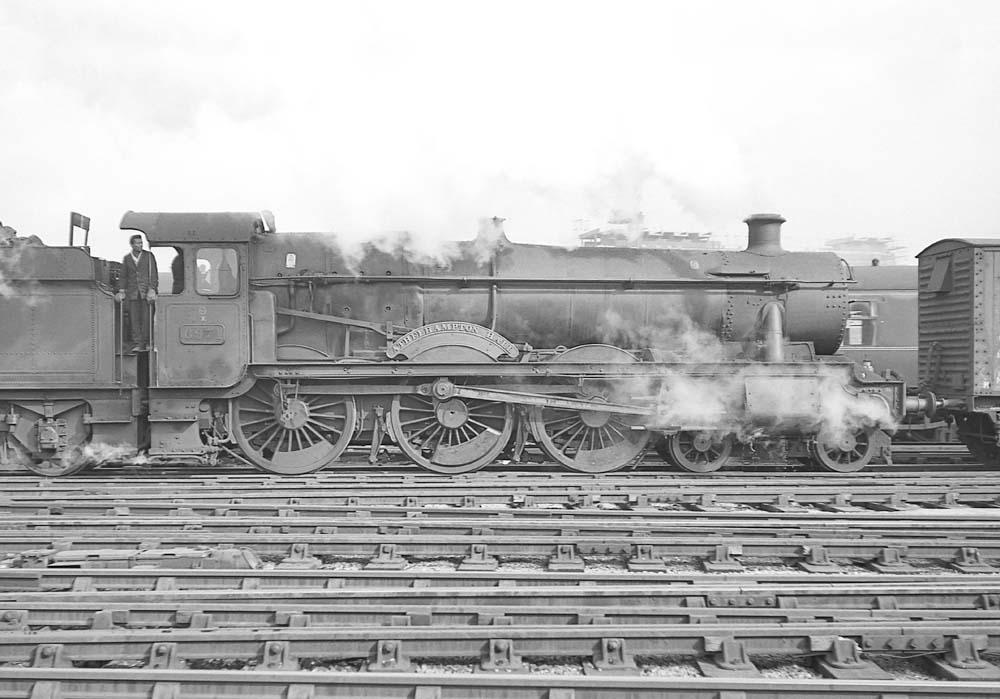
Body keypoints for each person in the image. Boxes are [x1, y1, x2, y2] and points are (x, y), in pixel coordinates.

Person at [114, 234, 158, 353]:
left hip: (146, 293)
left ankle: (149, 342)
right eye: (137, 243)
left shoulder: (149, 256)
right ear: (132, 245)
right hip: (133, 293)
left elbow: (153, 274)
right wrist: (121, 290)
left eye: (141, 243)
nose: (140, 245)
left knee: (147, 318)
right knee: (134, 319)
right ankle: (138, 343)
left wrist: (152, 289)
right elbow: (123, 276)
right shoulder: (127, 258)